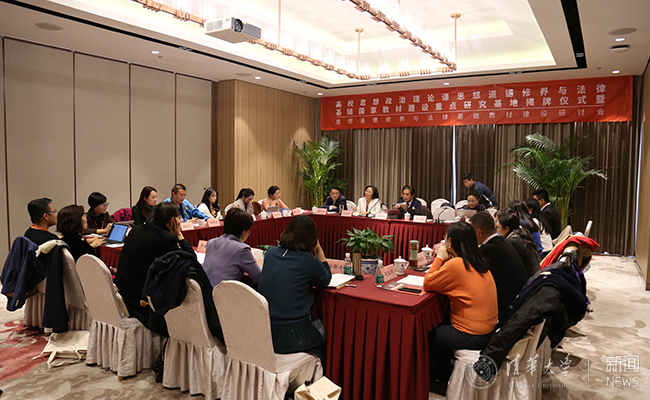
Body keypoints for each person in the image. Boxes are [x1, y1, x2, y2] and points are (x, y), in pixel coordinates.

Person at [423, 221, 497, 391]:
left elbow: (428, 282)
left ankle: (432, 379)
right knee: (440, 322)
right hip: (487, 329)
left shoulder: (457, 264)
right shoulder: (478, 260)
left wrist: (440, 257)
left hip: (471, 334)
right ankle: (441, 373)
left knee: (420, 333)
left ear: (450, 241)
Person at [258, 215, 331, 361]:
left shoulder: (271, 252)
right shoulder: (309, 261)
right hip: (293, 336)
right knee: (326, 330)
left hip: (266, 331)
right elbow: (325, 279)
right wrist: (318, 249)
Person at [115, 202, 194, 331]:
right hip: (141, 302)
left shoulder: (136, 230)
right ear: (173, 221)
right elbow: (190, 257)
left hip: (123, 291)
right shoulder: (166, 238)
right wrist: (179, 235)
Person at [469, 211, 527, 317]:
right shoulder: (500, 242)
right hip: (517, 299)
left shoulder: (489, 249)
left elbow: (468, 267)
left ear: (479, 233)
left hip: (505, 306)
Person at [203, 208, 261, 287]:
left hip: (203, 291)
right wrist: (259, 264)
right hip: (222, 292)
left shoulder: (211, 242)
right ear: (243, 232)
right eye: (248, 232)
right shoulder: (242, 249)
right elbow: (258, 276)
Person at [496, 211, 540, 279]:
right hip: (534, 275)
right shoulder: (521, 232)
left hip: (529, 278)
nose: (497, 231)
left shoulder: (512, 241)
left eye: (498, 227)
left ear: (507, 229)